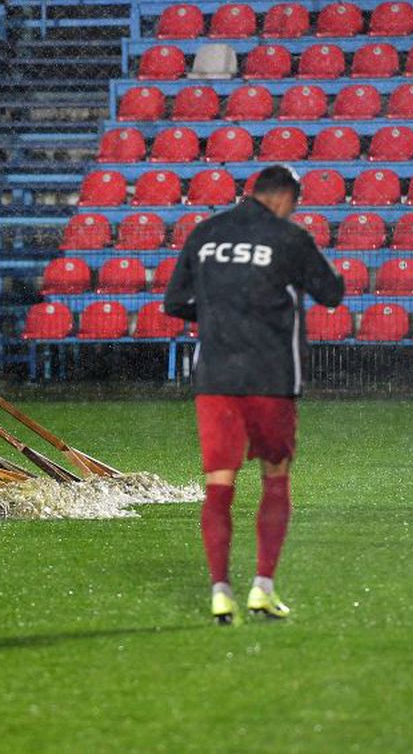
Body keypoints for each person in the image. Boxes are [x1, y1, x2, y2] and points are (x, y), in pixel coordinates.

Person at [163, 165, 344, 624]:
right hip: (272, 377)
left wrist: (219, 309)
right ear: (286, 198)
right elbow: (332, 294)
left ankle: (220, 592)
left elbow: (173, 303)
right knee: (275, 477)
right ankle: (262, 587)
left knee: (219, 487)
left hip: (217, 378)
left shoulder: (205, 234)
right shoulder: (289, 238)